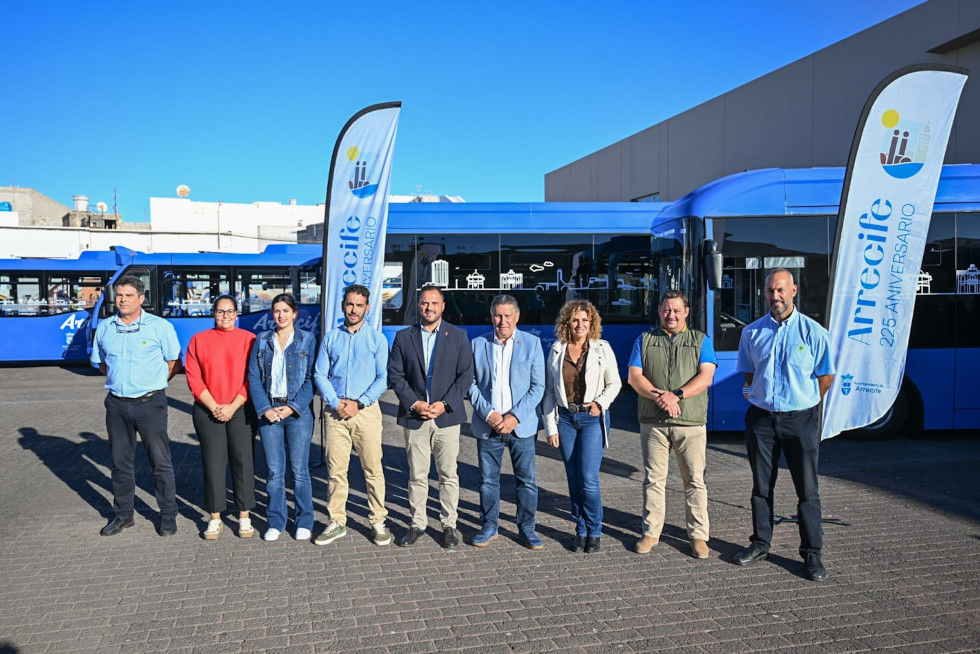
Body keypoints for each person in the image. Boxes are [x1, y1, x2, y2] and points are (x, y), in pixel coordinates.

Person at [734, 269, 835, 581]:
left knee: (807, 489)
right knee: (761, 487)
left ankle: (812, 555)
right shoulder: (751, 333)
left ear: (793, 290)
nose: (774, 297)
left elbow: (826, 376)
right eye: (769, 291)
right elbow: (750, 375)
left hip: (800, 419)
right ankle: (761, 544)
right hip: (762, 419)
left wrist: (802, 401)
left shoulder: (813, 332)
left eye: (780, 290)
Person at [627, 290, 717, 559]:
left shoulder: (701, 340)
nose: (671, 315)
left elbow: (706, 377)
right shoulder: (644, 339)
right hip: (653, 422)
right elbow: (634, 376)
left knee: (694, 481)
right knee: (653, 480)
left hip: (690, 422)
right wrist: (661, 398)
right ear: (659, 310)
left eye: (677, 310)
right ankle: (651, 532)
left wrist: (676, 395)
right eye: (667, 309)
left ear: (686, 312)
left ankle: (698, 536)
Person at [90, 275, 181, 537]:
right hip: (117, 405)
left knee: (160, 461)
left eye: (129, 295)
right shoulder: (106, 328)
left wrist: (153, 383)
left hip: (150, 403)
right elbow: (103, 364)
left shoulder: (159, 327)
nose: (122, 300)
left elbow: (174, 362)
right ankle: (123, 515)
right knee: (120, 463)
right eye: (119, 295)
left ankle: (167, 514)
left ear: (141, 299)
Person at [388, 285, 474, 549]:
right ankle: (418, 524)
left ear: (443, 306)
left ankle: (449, 525)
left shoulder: (458, 336)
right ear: (419, 306)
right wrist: (415, 404)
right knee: (417, 475)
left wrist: (444, 404)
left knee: (448, 474)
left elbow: (465, 376)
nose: (429, 308)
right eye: (425, 303)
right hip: (416, 418)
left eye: (434, 303)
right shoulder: (404, 337)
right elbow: (396, 375)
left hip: (445, 418)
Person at [313, 285, 390, 547]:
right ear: (343, 306)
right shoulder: (330, 338)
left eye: (359, 305)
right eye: (349, 304)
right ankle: (337, 521)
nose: (353, 309)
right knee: (336, 470)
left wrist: (360, 402)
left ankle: (378, 520)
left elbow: (383, 378)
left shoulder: (377, 339)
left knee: (372, 469)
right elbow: (319, 374)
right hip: (334, 413)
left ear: (367, 308)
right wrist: (335, 402)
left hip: (365, 412)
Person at [542, 300, 620, 553]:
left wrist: (600, 403)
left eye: (585, 320)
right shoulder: (556, 350)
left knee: (588, 478)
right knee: (573, 479)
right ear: (567, 323)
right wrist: (550, 427)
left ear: (592, 323)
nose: (580, 325)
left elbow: (615, 384)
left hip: (591, 418)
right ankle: (581, 529)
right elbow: (549, 392)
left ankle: (595, 530)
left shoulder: (602, 349)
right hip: (565, 419)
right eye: (575, 320)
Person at [468, 295, 545, 549]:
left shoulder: (532, 344)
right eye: (498, 316)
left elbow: (538, 387)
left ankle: (527, 527)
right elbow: (471, 384)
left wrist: (514, 417)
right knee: (488, 481)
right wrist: (488, 413)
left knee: (526, 481)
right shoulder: (477, 344)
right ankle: (489, 525)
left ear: (517, 317)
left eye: (507, 316)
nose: (502, 321)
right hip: (488, 425)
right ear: (491, 317)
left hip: (520, 426)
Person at [184, 294, 257, 540]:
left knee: (243, 462)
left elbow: (253, 378)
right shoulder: (198, 341)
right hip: (208, 410)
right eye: (220, 311)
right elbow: (194, 378)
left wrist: (232, 406)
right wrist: (215, 406)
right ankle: (215, 518)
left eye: (230, 311)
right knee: (213, 464)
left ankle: (244, 516)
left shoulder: (249, 340)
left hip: (241, 408)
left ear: (237, 314)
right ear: (212, 313)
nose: (225, 316)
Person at [247, 293, 318, 542]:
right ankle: (276, 521)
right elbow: (254, 378)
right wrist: (265, 408)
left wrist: (292, 407)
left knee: (300, 471)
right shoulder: (262, 340)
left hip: (297, 413)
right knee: (275, 471)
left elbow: (311, 378)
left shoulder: (307, 340)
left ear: (294, 313)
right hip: (269, 412)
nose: (280, 315)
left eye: (285, 310)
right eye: (276, 310)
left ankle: (304, 520)